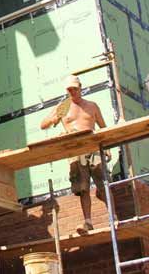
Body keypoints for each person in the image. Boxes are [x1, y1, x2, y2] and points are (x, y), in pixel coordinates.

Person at [40, 74, 108, 234]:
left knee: (104, 184)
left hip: (92, 147)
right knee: (82, 188)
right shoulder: (63, 107)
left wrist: (107, 148)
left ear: (80, 88)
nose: (72, 92)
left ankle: (114, 217)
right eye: (69, 89)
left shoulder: (92, 106)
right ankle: (88, 222)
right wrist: (53, 119)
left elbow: (103, 127)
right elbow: (43, 125)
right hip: (75, 149)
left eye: (75, 89)